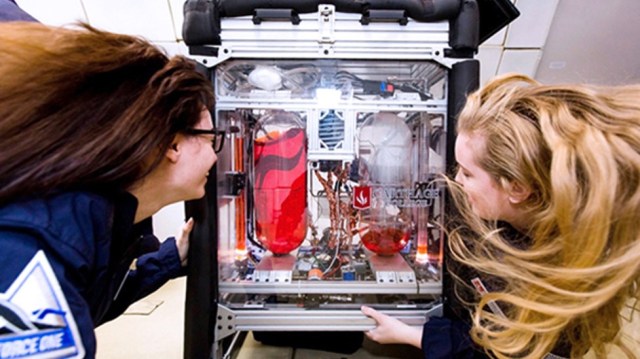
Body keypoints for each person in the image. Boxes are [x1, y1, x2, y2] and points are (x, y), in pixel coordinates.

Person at [362, 73, 640, 358]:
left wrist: (412, 335)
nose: (456, 179)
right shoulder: (504, 206)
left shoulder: (558, 289)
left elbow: (491, 351)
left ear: (516, 188)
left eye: (467, 173)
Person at [0, 21, 221, 358]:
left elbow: (96, 295)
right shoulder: (40, 241)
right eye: (210, 138)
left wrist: (171, 258)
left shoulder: (104, 218)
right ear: (173, 144)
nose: (215, 155)